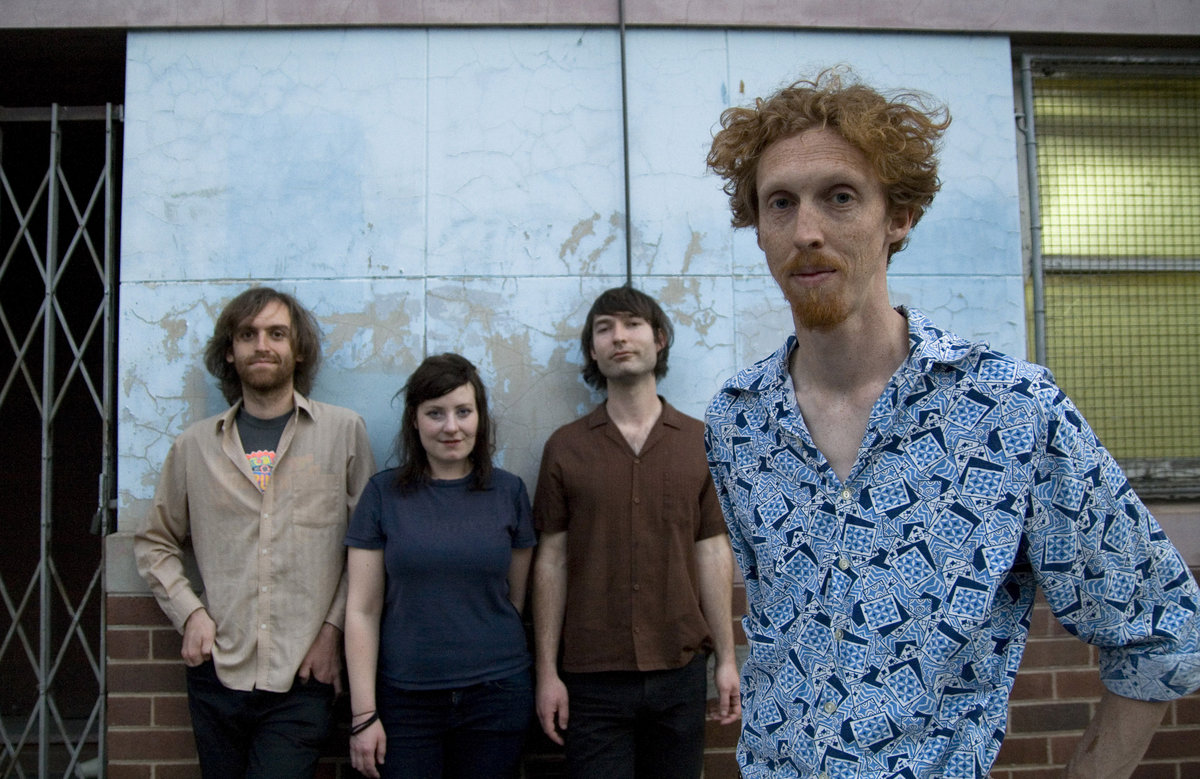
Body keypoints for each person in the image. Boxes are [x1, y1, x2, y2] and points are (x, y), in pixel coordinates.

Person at [703, 67, 1200, 779]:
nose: (806, 230)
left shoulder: (1009, 409)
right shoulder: (737, 420)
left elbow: (1162, 627)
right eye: (780, 203)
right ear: (758, 227)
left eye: (840, 196)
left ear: (898, 216)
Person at [135, 286, 376, 778]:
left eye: (277, 333)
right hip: (218, 670)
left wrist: (332, 631)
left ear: (298, 349)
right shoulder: (194, 447)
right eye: (247, 335)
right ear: (230, 351)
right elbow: (155, 541)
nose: (262, 345)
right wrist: (190, 613)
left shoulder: (344, 433)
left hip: (304, 673)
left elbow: (367, 547)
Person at [531, 286, 741, 779]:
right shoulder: (565, 447)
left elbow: (712, 552)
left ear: (659, 339)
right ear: (592, 350)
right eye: (604, 329)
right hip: (591, 676)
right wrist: (546, 672)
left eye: (632, 324)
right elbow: (551, 561)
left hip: (679, 670)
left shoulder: (700, 442)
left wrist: (727, 659)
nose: (619, 337)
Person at [344, 353, 536, 779]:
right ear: (414, 420)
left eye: (463, 411)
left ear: (480, 418)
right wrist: (363, 714)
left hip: (497, 695)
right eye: (436, 413)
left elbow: (515, 598)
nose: (452, 427)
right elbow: (362, 610)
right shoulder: (382, 495)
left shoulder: (509, 492)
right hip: (405, 701)